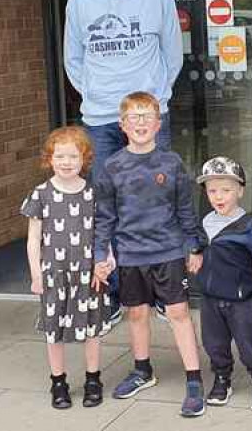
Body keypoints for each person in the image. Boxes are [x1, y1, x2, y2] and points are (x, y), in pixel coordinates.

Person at [63, 0, 184, 324]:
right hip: (100, 120)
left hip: (150, 118)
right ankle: (117, 293)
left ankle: (165, 292)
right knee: (107, 206)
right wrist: (95, 94)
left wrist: (156, 100)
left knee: (157, 202)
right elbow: (73, 58)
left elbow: (172, 54)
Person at [92, 91, 206, 417]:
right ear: (122, 125)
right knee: (137, 314)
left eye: (147, 117)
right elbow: (105, 216)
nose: (140, 122)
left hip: (168, 251)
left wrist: (193, 246)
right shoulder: (112, 166)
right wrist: (102, 253)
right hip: (130, 255)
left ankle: (194, 379)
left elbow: (185, 209)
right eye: (133, 117)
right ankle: (142, 370)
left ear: (158, 124)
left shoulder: (172, 163)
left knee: (179, 314)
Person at [21, 127, 112, 409]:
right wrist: (36, 275)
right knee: (54, 329)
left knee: (91, 328)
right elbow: (33, 239)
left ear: (84, 159)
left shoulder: (93, 194)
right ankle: (58, 381)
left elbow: (102, 232)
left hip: (88, 273)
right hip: (54, 274)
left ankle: (93, 379)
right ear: (49, 159)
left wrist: (105, 263)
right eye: (59, 156)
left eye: (73, 156)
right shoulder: (41, 194)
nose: (66, 162)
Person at [193, 156, 252, 412]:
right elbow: (196, 246)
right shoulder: (205, 222)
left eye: (226, 190)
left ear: (240, 190)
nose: (219, 196)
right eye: (212, 190)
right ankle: (222, 377)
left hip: (242, 301)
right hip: (210, 298)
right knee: (214, 344)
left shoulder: (249, 225)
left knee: (248, 344)